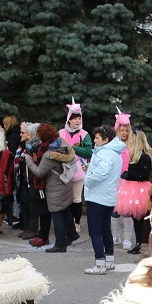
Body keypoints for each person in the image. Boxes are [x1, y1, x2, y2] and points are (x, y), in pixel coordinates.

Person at [26, 122, 75, 253]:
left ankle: (60, 244)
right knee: (64, 210)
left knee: (57, 214)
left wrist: (29, 161)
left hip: (55, 188)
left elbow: (39, 172)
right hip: (65, 183)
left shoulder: (49, 154)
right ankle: (72, 234)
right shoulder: (62, 144)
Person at [82, 125, 125, 274]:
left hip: (97, 197)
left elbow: (102, 172)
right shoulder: (114, 153)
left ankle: (100, 264)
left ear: (106, 139)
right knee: (105, 230)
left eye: (97, 138)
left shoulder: (105, 153)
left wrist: (88, 180)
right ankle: (109, 261)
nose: (95, 140)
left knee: (95, 232)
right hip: (108, 197)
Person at [115, 129, 152, 256]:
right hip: (132, 188)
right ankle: (138, 242)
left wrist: (127, 175)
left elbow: (142, 175)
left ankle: (142, 243)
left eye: (132, 139)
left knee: (141, 219)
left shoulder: (145, 156)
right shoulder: (135, 155)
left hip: (140, 190)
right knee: (135, 218)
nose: (130, 141)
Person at [61, 99, 92, 237]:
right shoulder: (61, 133)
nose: (78, 121)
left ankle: (76, 222)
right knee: (65, 199)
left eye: (79, 118)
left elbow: (89, 152)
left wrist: (72, 148)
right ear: (69, 120)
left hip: (79, 171)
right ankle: (66, 222)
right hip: (63, 170)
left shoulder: (84, 134)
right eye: (75, 118)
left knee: (76, 198)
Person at [112, 111, 135, 249]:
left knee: (127, 211)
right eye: (122, 130)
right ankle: (115, 236)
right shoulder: (113, 145)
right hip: (115, 181)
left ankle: (127, 238)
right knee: (114, 211)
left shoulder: (132, 145)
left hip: (128, 181)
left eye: (126, 130)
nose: (124, 133)